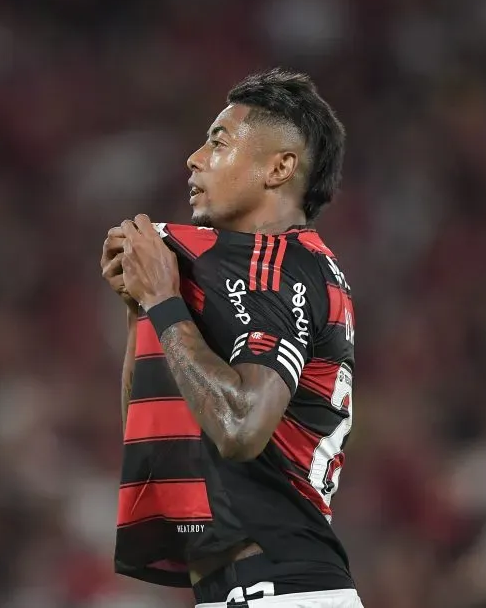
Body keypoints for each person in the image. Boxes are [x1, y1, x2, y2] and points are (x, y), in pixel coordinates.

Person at [100, 68, 362, 608]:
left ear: (280, 167)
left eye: (218, 141)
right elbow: (154, 440)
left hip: (281, 588)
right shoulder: (253, 278)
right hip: (245, 591)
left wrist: (163, 302)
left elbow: (242, 427)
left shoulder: (286, 266)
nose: (195, 159)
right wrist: (141, 310)